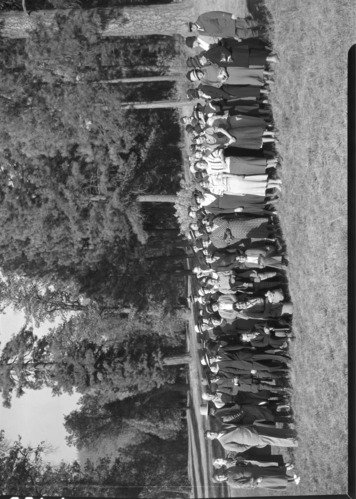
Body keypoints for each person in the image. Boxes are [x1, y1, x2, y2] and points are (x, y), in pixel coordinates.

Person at [205, 425, 298, 452]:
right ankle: (294, 442)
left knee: (273, 432)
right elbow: (240, 449)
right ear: (212, 438)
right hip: (253, 439)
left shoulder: (222, 428)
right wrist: (251, 443)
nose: (212, 432)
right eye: (211, 434)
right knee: (274, 440)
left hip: (253, 429)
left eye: (211, 431)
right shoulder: (224, 443)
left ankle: (292, 433)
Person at [190, 11, 261, 41]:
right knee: (248, 34)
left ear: (192, 23)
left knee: (248, 24)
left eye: (191, 26)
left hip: (229, 22)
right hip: (229, 33)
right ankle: (265, 32)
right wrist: (232, 36)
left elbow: (216, 14)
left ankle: (266, 24)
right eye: (191, 30)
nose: (192, 28)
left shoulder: (202, 18)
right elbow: (216, 34)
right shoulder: (201, 33)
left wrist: (230, 16)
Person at [214, 465, 300, 489]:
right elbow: (244, 485)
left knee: (274, 474)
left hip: (256, 471)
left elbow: (240, 467)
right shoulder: (231, 482)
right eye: (219, 478)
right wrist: (256, 481)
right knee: (275, 480)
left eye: (219, 475)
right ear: (221, 481)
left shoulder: (228, 470)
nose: (221, 476)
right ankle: (293, 482)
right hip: (257, 479)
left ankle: (292, 477)